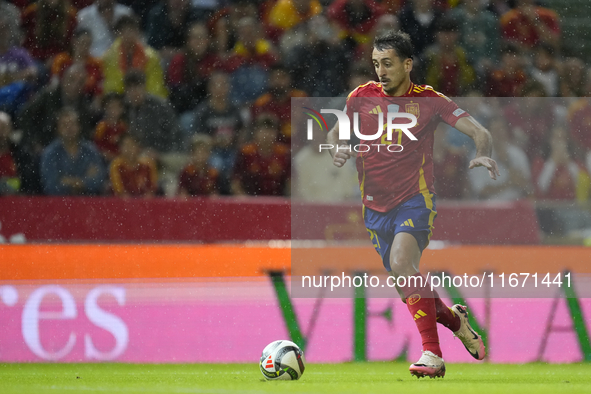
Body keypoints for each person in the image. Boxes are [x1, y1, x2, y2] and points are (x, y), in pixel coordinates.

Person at [327, 30, 499, 378]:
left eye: (388, 64)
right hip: (374, 210)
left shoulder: (431, 101)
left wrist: (482, 155)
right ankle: (456, 321)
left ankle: (431, 355)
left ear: (408, 64)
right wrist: (336, 146)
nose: (381, 71)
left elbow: (481, 132)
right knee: (406, 283)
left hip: (415, 200)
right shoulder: (360, 97)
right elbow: (334, 131)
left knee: (403, 262)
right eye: (376, 64)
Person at [40, 107, 106, 195]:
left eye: (72, 124)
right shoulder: (50, 153)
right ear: (57, 129)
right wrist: (84, 182)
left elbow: (98, 182)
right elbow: (51, 186)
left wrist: (67, 181)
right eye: (64, 125)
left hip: (88, 203)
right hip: (58, 204)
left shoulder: (91, 150)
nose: (69, 128)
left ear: (79, 127)